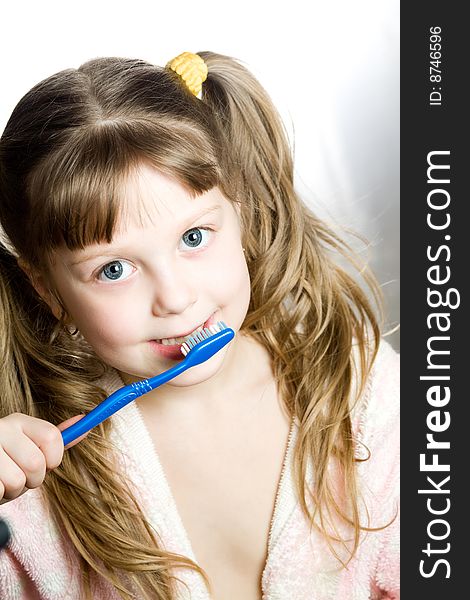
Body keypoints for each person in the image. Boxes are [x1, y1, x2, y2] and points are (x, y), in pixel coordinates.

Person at [0, 51, 399, 600]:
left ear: (241, 216)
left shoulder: (360, 390)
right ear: (47, 288)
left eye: (194, 238)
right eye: (114, 269)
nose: (176, 297)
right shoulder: (29, 474)